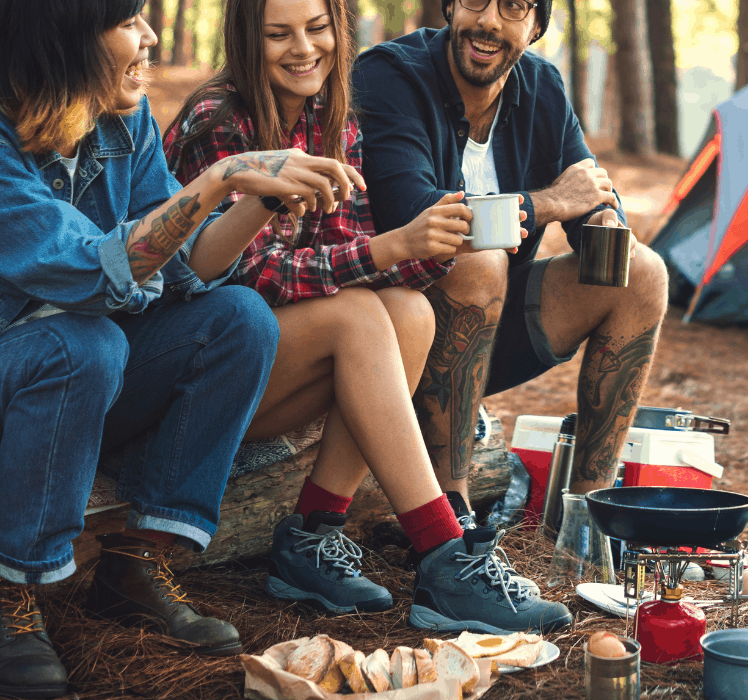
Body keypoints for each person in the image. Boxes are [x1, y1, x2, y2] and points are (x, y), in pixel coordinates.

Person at [0, 0, 378, 696]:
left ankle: (137, 563)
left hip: (87, 384)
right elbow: (90, 268)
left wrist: (255, 197)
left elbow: (189, 268)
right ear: (63, 38)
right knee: (83, 344)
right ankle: (10, 593)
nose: (148, 39)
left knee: (238, 319)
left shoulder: (123, 117)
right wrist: (217, 179)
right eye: (128, 23)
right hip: (20, 380)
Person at [163, 0, 571, 634]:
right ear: (247, 39)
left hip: (284, 364)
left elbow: (351, 251)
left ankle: (311, 535)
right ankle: (443, 555)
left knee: (408, 313)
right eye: (278, 34)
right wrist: (388, 249)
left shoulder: (333, 112)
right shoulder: (220, 120)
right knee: (357, 317)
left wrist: (422, 248)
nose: (303, 49)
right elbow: (245, 278)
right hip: (205, 370)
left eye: (318, 28)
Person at [351, 0, 669, 571]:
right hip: (390, 337)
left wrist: (602, 218)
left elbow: (586, 187)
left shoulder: (540, 85)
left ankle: (589, 518)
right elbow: (416, 214)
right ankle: (452, 513)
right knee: (478, 256)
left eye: (515, 7)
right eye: (476, 1)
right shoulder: (389, 75)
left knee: (643, 273)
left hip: (487, 336)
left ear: (537, 26)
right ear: (450, 7)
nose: (490, 22)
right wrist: (549, 202)